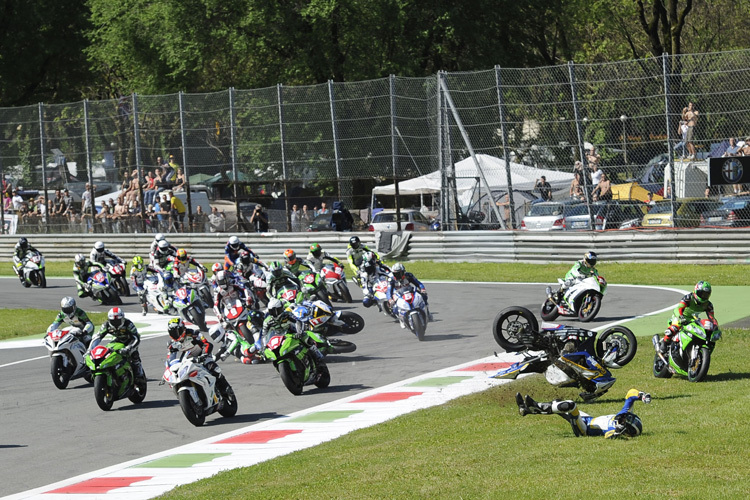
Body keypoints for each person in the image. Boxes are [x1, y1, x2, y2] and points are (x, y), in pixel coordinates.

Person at [516, 388, 650, 439]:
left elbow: (608, 436)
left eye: (626, 421)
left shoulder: (615, 430)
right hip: (587, 418)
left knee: (570, 405)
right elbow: (630, 394)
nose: (624, 417)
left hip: (584, 429)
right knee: (559, 403)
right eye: (627, 417)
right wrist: (642, 396)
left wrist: (617, 433)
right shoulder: (622, 415)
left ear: (626, 429)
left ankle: (535, 406)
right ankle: (526, 410)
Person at [166, 318, 230, 391]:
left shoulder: (194, 334)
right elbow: (170, 358)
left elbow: (207, 344)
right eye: (172, 333)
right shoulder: (172, 344)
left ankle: (226, 389)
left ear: (183, 328)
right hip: (186, 361)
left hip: (201, 357)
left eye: (177, 332)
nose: (175, 335)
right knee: (175, 380)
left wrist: (204, 355)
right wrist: (169, 369)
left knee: (212, 367)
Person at [658, 281, 718, 354]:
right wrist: (681, 317)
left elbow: (712, 318)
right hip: (680, 316)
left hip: (693, 319)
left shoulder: (708, 305)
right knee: (676, 327)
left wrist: (715, 326)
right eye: (701, 293)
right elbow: (679, 308)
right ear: (696, 291)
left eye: (706, 294)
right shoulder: (689, 298)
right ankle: (664, 342)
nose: (703, 296)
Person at [260, 297, 325, 362]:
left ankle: (317, 354)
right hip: (277, 339)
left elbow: (297, 321)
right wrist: (263, 347)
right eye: (273, 311)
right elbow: (264, 335)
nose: (276, 313)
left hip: (291, 334)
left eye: (278, 310)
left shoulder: (287, 314)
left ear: (282, 308)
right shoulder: (267, 321)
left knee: (306, 339)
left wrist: (299, 332)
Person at [89, 307, 146, 381]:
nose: (115, 323)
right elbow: (98, 337)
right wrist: (90, 349)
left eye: (118, 321)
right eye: (113, 321)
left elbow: (136, 338)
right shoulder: (106, 325)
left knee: (134, 355)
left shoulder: (128, 324)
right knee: (107, 351)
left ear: (123, 319)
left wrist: (129, 348)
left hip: (130, 341)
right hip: (117, 340)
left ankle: (139, 372)